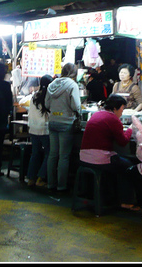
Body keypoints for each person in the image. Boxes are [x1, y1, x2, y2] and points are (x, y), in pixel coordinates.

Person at [79, 94, 138, 210]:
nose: (122, 112)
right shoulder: (113, 119)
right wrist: (131, 128)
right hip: (99, 159)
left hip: (83, 157)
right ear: (115, 108)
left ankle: (109, 197)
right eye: (122, 109)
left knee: (119, 162)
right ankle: (125, 201)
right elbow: (123, 141)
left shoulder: (96, 114)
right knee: (128, 167)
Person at [45, 63, 81, 192]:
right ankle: (61, 186)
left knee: (53, 155)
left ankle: (50, 184)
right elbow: (75, 105)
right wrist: (79, 111)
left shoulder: (52, 84)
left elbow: (46, 104)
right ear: (74, 73)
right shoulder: (72, 85)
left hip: (53, 121)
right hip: (66, 122)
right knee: (64, 156)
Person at [26, 74, 53, 187]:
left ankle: (31, 178)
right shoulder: (49, 97)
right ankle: (41, 178)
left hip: (33, 128)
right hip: (44, 129)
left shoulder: (34, 96)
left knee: (35, 153)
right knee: (49, 153)